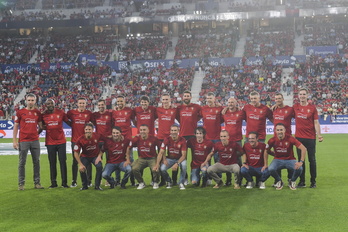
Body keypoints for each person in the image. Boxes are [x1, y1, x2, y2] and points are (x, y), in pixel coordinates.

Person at [293, 88, 323, 188]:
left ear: (307, 95)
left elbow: (316, 122)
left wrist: (319, 135)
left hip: (310, 138)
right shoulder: (295, 107)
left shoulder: (312, 108)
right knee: (301, 160)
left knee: (312, 160)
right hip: (299, 138)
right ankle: (302, 182)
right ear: (298, 96)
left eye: (304, 94)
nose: (302, 96)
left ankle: (313, 182)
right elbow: (285, 111)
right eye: (300, 94)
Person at [13, 93, 44, 190]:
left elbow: (41, 126)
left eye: (32, 100)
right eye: (29, 100)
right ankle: (21, 184)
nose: (30, 102)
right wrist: (14, 141)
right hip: (23, 141)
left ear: (35, 101)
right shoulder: (20, 112)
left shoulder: (37, 112)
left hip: (35, 141)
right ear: (26, 100)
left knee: (37, 162)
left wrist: (35, 134)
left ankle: (37, 183)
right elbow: (16, 127)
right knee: (22, 163)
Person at [267, 123, 307, 190]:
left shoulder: (290, 138)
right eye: (278, 130)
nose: (280, 132)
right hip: (277, 160)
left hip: (290, 160)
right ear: (275, 131)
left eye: (281, 130)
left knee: (300, 168)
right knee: (270, 169)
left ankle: (292, 181)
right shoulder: (272, 140)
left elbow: (303, 148)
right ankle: (279, 181)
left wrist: (301, 162)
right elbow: (267, 151)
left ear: (285, 130)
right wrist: (274, 155)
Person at [42, 99, 69, 188]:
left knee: (62, 162)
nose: (50, 105)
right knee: (52, 163)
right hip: (50, 142)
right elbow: (41, 127)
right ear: (46, 105)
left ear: (54, 104)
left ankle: (64, 183)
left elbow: (68, 122)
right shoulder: (43, 115)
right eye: (48, 104)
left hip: (61, 141)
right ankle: (53, 183)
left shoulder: (60, 112)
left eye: (51, 103)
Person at [176, 90, 201, 184]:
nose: (186, 97)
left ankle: (194, 177)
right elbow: (178, 118)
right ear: (183, 98)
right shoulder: (179, 108)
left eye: (188, 96)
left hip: (193, 136)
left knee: (196, 158)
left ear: (190, 97)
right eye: (185, 96)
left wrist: (195, 120)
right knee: (183, 159)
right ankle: (184, 178)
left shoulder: (196, 107)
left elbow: (201, 115)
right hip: (183, 136)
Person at [67, 97, 93, 187]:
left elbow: (92, 124)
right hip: (75, 141)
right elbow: (66, 120)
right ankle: (74, 181)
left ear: (86, 104)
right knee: (75, 161)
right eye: (80, 103)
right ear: (77, 104)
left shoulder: (89, 114)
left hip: (86, 141)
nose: (82, 105)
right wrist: (72, 125)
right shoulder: (71, 113)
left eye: (83, 103)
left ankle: (89, 181)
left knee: (88, 160)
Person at [154, 125, 187, 190]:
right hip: (170, 158)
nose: (173, 132)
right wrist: (158, 163)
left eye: (175, 130)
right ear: (170, 131)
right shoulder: (167, 139)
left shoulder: (182, 140)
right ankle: (169, 181)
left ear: (178, 131)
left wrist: (177, 163)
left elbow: (184, 155)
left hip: (180, 159)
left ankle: (181, 183)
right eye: (172, 130)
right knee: (162, 168)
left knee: (184, 166)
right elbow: (161, 152)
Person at [128, 124, 161, 189]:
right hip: (141, 159)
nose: (142, 131)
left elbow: (161, 149)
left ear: (148, 130)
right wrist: (128, 159)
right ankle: (141, 182)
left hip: (152, 158)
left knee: (155, 169)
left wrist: (160, 160)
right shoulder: (137, 138)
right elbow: (129, 147)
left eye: (144, 130)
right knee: (134, 168)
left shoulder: (154, 139)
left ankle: (156, 182)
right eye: (141, 130)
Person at [222, 97, 246, 185]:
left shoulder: (240, 112)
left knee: (239, 161)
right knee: (227, 160)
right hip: (227, 141)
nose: (230, 104)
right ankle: (228, 181)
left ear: (236, 103)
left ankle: (239, 180)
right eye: (229, 102)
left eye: (232, 102)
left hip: (237, 140)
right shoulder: (224, 113)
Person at [73, 123, 103, 191]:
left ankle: (97, 186)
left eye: (89, 129)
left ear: (93, 130)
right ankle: (84, 186)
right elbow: (76, 152)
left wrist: (99, 156)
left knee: (99, 167)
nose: (88, 131)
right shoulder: (80, 139)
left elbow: (104, 145)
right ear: (84, 130)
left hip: (95, 156)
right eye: (86, 129)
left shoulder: (98, 136)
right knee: (82, 169)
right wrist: (80, 164)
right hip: (85, 156)